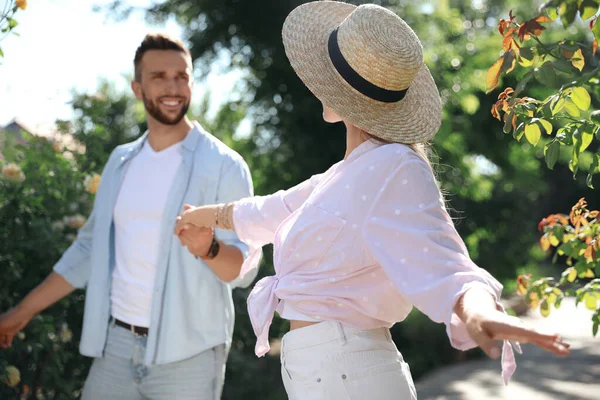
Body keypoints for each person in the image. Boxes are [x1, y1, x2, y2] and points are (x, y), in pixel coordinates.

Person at [174, 2, 570, 399]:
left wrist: (477, 309)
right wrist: (199, 218)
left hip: (350, 376)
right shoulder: (342, 175)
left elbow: (446, 261)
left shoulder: (395, 166)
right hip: (332, 374)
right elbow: (265, 211)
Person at [0, 33, 258, 400]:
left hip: (189, 356)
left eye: (182, 76)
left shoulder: (224, 166)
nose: (173, 86)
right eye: (159, 77)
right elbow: (88, 250)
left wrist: (208, 248)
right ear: (138, 88)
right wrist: (20, 313)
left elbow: (243, 269)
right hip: (116, 348)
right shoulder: (121, 162)